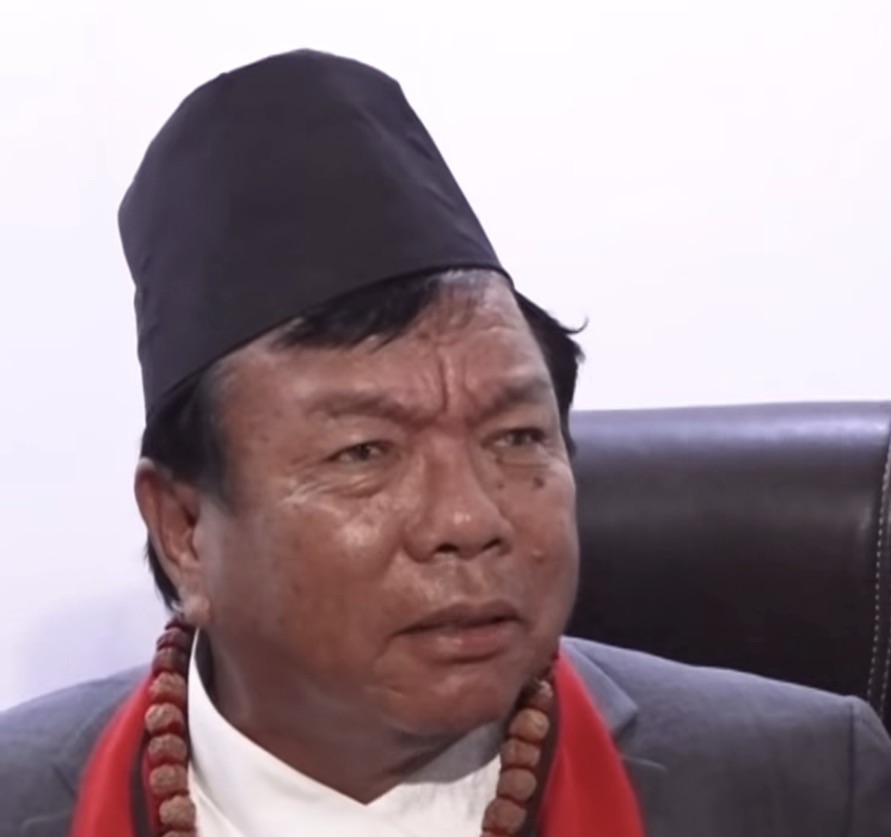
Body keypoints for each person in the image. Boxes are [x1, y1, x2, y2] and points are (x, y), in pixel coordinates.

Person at [0, 49, 889, 837]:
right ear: (185, 528)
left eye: (517, 437)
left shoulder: (806, 785)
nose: (468, 520)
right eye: (364, 452)